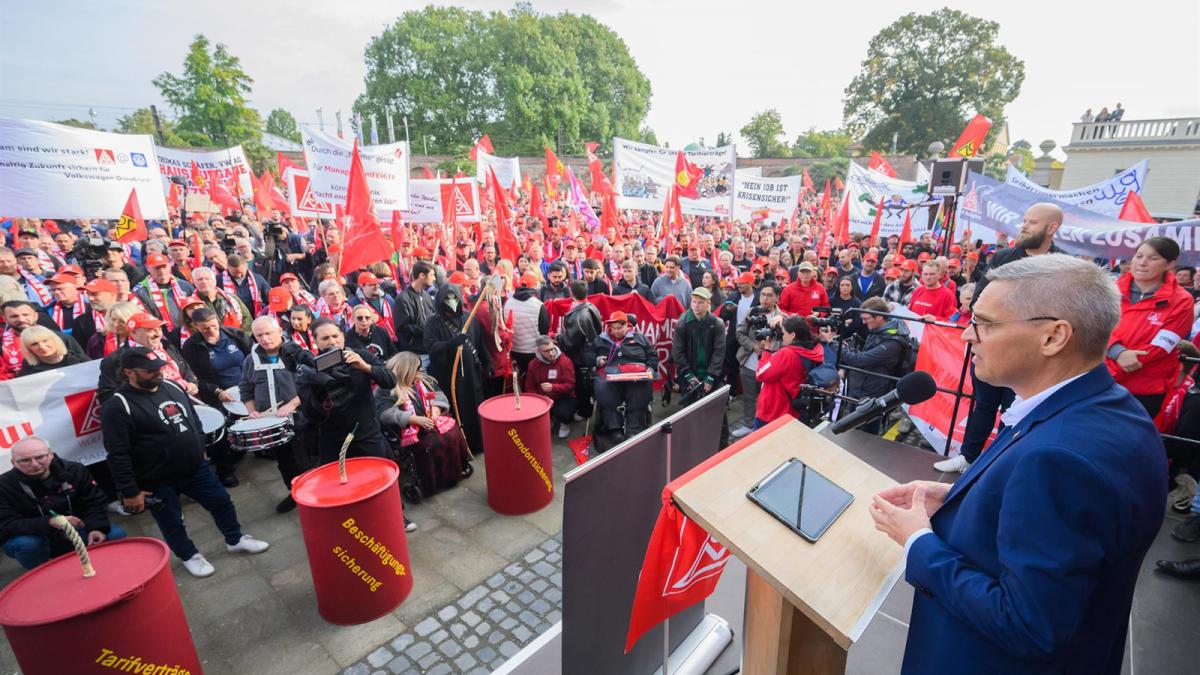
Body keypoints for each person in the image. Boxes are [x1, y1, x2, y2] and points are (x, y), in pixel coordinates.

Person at [870, 254, 1166, 674]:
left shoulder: (1059, 460)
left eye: (986, 324)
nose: (968, 336)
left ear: (1053, 337)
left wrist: (919, 540)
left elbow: (1028, 624)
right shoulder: (1112, 410)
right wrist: (960, 498)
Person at [99, 346, 270, 578]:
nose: (157, 373)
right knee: (171, 521)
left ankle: (235, 538)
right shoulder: (117, 406)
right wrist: (130, 492)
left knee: (221, 501)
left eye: (158, 367)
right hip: (156, 480)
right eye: (149, 371)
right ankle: (189, 555)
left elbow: (193, 419)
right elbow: (117, 454)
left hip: (194, 468)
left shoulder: (171, 386)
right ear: (129, 372)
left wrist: (199, 448)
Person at [936, 204, 1064, 473]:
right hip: (992, 346)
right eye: (1024, 220)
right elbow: (980, 298)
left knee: (1015, 409)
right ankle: (968, 457)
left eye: (1032, 222)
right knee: (983, 404)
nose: (1024, 226)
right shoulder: (1003, 257)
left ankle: (1000, 465)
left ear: (1051, 228)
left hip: (1029, 354)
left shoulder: (1062, 265)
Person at [0, 436, 126, 569]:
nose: (35, 464)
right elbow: (6, 524)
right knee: (28, 545)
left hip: (76, 526)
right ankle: (45, 575)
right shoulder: (3, 485)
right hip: (34, 534)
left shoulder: (74, 470)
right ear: (14, 462)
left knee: (115, 535)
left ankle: (112, 569)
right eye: (25, 460)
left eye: (40, 457)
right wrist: (49, 522)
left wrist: (97, 527)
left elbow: (95, 501)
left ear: (51, 455)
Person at [1105, 236, 1194, 417]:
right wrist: (1117, 352)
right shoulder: (1109, 289)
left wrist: (1119, 363)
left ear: (1170, 264)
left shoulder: (1182, 301)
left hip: (1145, 387)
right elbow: (1092, 326)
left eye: (1153, 258)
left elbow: (1161, 347)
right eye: (1139, 256)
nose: (1142, 263)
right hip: (1101, 377)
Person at [239, 316, 313, 513]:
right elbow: (245, 387)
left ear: (279, 331)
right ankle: (294, 492)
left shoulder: (296, 353)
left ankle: (314, 494)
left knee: (306, 458)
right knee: (285, 461)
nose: (264, 338)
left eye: (268, 333)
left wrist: (293, 403)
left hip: (301, 418)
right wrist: (252, 411)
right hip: (272, 423)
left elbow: (311, 383)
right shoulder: (250, 360)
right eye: (259, 335)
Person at [297, 318, 396, 463]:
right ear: (316, 341)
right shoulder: (311, 368)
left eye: (335, 336)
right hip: (333, 440)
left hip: (367, 434)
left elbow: (390, 381)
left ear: (343, 336)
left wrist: (365, 367)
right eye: (325, 338)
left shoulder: (361, 355)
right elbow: (310, 413)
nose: (332, 341)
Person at [376, 352, 469, 502]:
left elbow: (438, 396)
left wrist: (436, 411)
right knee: (432, 444)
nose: (421, 370)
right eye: (417, 368)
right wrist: (415, 419)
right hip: (409, 431)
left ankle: (454, 471)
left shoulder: (423, 380)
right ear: (406, 370)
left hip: (429, 421)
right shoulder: (386, 389)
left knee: (452, 433)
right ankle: (432, 481)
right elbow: (386, 413)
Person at [423, 284, 489, 456]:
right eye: (446, 298)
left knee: (474, 407)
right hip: (449, 376)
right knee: (457, 408)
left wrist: (487, 362)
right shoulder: (432, 323)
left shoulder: (470, 318)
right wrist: (451, 344)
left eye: (454, 297)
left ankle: (478, 443)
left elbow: (480, 343)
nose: (451, 302)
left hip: (471, 374)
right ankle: (461, 446)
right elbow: (431, 347)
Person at [836, 296, 911, 434]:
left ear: (879, 317)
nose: (863, 322)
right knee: (852, 430)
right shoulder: (878, 331)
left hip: (873, 393)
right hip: (861, 387)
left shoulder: (893, 342)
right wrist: (848, 349)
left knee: (867, 434)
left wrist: (835, 346)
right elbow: (864, 355)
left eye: (866, 318)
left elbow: (861, 360)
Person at [587, 311, 658, 448]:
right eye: (614, 328)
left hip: (636, 374)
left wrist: (650, 368)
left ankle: (634, 428)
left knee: (640, 391)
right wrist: (597, 360)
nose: (616, 331)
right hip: (609, 373)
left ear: (628, 325)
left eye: (620, 328)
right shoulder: (601, 339)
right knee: (605, 390)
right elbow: (587, 354)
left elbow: (652, 355)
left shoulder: (640, 338)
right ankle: (615, 430)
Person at [753, 315, 825, 427]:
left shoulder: (787, 354)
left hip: (774, 412)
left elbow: (761, 374)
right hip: (792, 411)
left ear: (793, 335)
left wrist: (766, 351)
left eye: (784, 333)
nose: (781, 337)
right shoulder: (814, 349)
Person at [556, 280, 602, 421]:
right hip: (589, 352)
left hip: (580, 356)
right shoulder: (591, 306)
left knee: (582, 386)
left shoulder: (578, 315)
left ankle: (584, 412)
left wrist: (557, 337)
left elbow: (571, 341)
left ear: (571, 293)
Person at [672, 287, 725, 400]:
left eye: (700, 302)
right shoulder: (683, 323)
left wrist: (710, 377)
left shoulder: (717, 324)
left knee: (716, 411)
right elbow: (677, 352)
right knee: (690, 412)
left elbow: (719, 352)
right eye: (694, 301)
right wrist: (689, 376)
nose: (696, 305)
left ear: (708, 303)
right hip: (689, 373)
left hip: (711, 373)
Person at [524, 336, 578, 438]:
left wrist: (554, 387)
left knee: (564, 413)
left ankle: (565, 423)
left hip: (563, 396)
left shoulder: (565, 361)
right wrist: (541, 398)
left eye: (552, 349)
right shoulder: (533, 364)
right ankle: (548, 419)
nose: (551, 353)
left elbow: (570, 385)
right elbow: (529, 388)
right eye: (547, 351)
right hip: (543, 397)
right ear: (539, 351)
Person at [134, 253, 194, 332]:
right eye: (157, 268)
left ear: (169, 266)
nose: (162, 271)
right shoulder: (140, 291)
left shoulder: (184, 285)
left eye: (164, 267)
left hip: (186, 331)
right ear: (148, 268)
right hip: (159, 334)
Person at [505, 274, 550, 373]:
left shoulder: (508, 302)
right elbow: (544, 330)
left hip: (513, 349)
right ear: (534, 287)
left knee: (516, 381)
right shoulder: (538, 305)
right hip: (532, 351)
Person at [189, 266, 252, 334]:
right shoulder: (191, 305)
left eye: (207, 279)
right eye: (200, 279)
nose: (204, 282)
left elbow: (247, 319)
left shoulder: (231, 298)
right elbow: (190, 326)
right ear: (194, 282)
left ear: (214, 280)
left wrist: (242, 338)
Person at [394, 260, 435, 358]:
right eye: (432, 275)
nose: (434, 278)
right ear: (422, 276)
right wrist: (426, 330)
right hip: (413, 353)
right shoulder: (402, 299)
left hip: (429, 349)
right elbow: (402, 328)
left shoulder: (427, 296)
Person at [18, 325, 87, 375]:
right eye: (34, 344)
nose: (41, 346)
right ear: (28, 348)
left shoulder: (80, 359)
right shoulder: (28, 369)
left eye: (45, 340)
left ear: (55, 340)